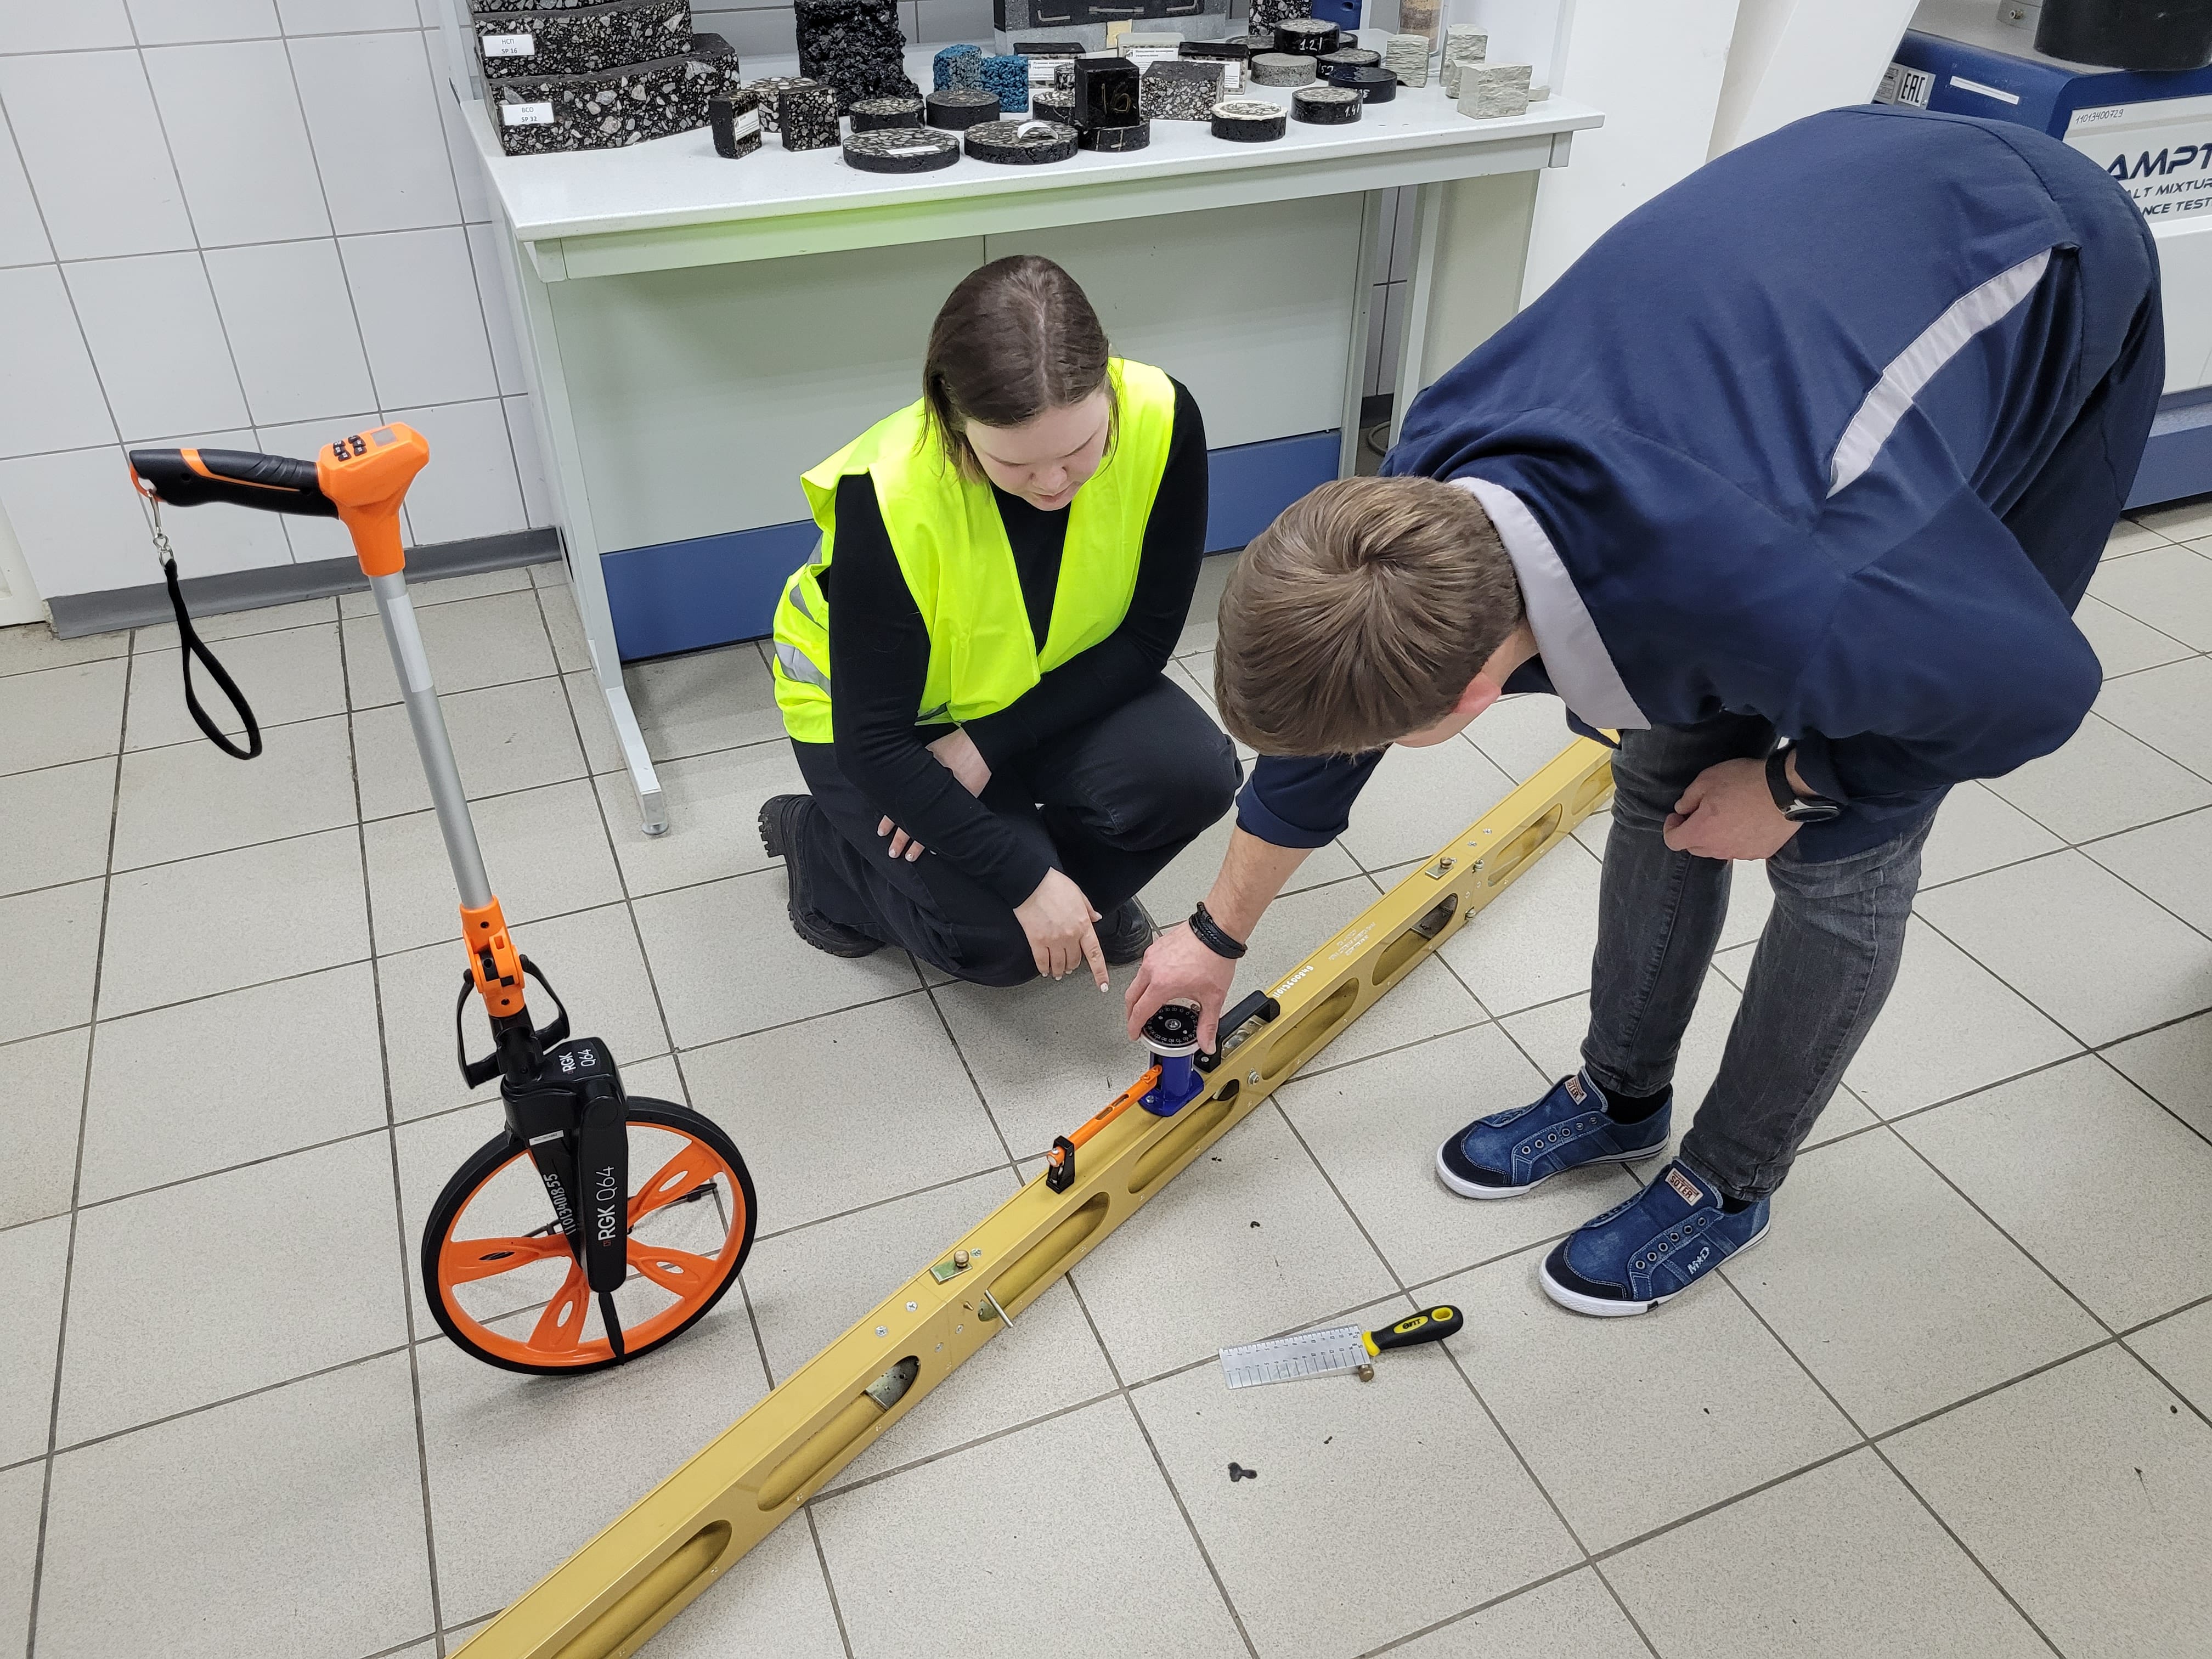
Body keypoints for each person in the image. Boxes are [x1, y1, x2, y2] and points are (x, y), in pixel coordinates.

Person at [1125, 103, 2161, 1315]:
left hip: (2045, 262)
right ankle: (1621, 1096)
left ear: (1472, 696)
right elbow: (1334, 726)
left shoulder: (1814, 584)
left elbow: (2035, 692)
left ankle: (1731, 1182)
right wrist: (1218, 934)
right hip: (1825, 243)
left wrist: (1797, 787)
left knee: (1847, 857)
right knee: (1662, 772)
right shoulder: (1417, 496)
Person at [760, 256, 1239, 989]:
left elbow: (1147, 638)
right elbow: (872, 743)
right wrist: (1023, 880)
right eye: (1014, 463)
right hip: (884, 730)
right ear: (954, 423)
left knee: (1194, 778)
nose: (1053, 482)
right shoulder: (891, 495)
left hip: (1028, 692)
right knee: (1002, 945)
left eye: (1079, 449)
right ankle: (824, 851)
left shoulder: (1161, 417)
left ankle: (1069, 897)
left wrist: (990, 742)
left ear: (1106, 387)